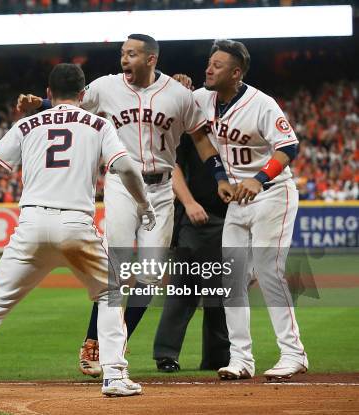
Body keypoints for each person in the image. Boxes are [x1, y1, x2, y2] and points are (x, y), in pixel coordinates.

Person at [17, 34, 234, 377]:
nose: (124, 59)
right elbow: (70, 111)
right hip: (120, 184)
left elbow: (201, 138)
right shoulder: (105, 87)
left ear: (150, 59)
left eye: (131, 54)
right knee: (114, 268)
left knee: (148, 276)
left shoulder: (179, 95)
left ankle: (114, 344)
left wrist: (220, 175)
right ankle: (95, 343)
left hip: (161, 191)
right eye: (122, 53)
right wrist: (41, 106)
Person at [0, 63, 155, 399]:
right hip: (76, 224)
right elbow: (125, 166)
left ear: (49, 93)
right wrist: (144, 204)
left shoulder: (28, 124)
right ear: (83, 95)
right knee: (110, 293)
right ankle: (113, 375)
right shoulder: (98, 124)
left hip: (32, 224)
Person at [193, 39, 308, 381]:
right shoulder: (203, 99)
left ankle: (293, 353)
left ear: (236, 73)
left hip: (272, 193)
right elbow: (197, 134)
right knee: (232, 279)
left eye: (217, 65)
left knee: (269, 270)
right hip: (238, 201)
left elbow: (289, 145)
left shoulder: (262, 104)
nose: (208, 69)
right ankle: (241, 358)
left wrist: (259, 178)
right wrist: (219, 176)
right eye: (209, 63)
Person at [152, 135, 230, 373]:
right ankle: (167, 354)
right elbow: (171, 163)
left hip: (235, 216)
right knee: (186, 286)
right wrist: (188, 202)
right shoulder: (193, 123)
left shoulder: (241, 122)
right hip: (198, 218)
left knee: (218, 290)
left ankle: (216, 357)